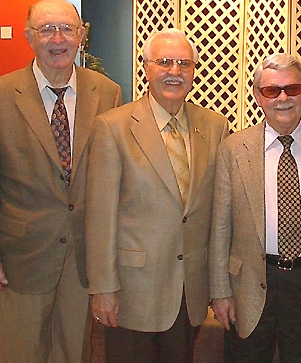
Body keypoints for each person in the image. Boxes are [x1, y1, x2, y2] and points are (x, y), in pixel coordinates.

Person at [0, 0, 122, 363]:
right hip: (22, 257)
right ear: (29, 36)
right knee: (23, 353)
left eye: (67, 28)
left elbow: (114, 182)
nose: (58, 39)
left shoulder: (108, 93)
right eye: (46, 29)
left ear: (81, 35)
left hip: (83, 256)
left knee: (74, 352)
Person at [85, 28, 229, 363]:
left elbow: (219, 214)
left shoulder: (214, 127)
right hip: (132, 290)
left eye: (184, 63)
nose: (174, 72)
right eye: (164, 62)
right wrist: (103, 288)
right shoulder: (113, 127)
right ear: (146, 67)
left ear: (194, 70)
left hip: (187, 290)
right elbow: (100, 216)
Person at [209, 53, 301, 363]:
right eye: (272, 90)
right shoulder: (233, 149)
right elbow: (220, 228)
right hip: (250, 281)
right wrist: (220, 292)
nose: (284, 98)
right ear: (258, 97)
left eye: (293, 88)